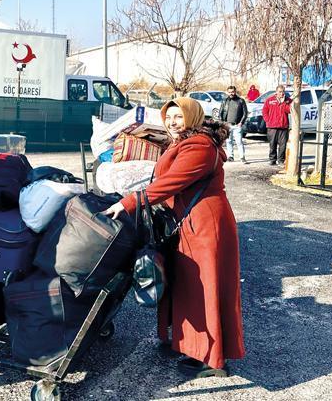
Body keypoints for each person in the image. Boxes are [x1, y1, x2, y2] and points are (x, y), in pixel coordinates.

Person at [104, 97, 245, 378]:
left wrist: (129, 202)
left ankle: (213, 360)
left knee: (206, 288)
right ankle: (194, 347)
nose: (172, 122)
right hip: (190, 223)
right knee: (189, 287)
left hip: (205, 225)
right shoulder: (185, 142)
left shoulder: (200, 146)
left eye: (179, 117)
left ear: (192, 117)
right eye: (169, 117)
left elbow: (171, 182)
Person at [262, 85, 292, 166]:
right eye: (280, 92)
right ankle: (272, 159)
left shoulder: (288, 101)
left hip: (283, 126)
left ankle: (281, 160)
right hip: (272, 127)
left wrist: (283, 103)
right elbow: (264, 111)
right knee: (272, 144)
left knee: (283, 145)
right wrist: (268, 120)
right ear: (276, 92)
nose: (282, 93)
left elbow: (289, 111)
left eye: (283, 92)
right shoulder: (270, 100)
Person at [219, 85, 248, 163]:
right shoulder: (224, 101)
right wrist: (222, 123)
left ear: (235, 92)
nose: (231, 93)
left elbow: (245, 113)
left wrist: (241, 122)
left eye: (232, 92)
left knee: (239, 142)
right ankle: (230, 156)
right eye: (229, 92)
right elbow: (220, 113)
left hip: (237, 125)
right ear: (227, 92)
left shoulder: (241, 101)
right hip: (227, 125)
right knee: (229, 141)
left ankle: (242, 157)